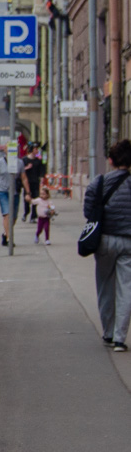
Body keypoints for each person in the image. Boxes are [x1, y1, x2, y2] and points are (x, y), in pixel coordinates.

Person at [85, 139, 131, 351]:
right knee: (126, 288)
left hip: (103, 240)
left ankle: (108, 332)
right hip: (129, 242)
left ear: (111, 160)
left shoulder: (99, 182)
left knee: (105, 287)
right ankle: (120, 339)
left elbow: (88, 212)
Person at [0, 148, 20, 247]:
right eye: (8, 149)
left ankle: (5, 234)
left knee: (14, 217)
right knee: (7, 214)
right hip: (2, 191)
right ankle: (9, 238)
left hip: (14, 192)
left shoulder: (18, 162)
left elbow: (23, 177)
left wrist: (28, 192)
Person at [22, 145, 47, 223]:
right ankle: (26, 213)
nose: (37, 151)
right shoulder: (24, 160)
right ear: (31, 150)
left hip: (35, 182)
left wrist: (42, 178)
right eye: (36, 149)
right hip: (27, 183)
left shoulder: (38, 161)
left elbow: (42, 170)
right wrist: (27, 168)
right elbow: (20, 170)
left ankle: (33, 216)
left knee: (35, 199)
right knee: (27, 199)